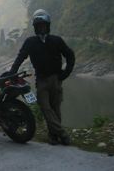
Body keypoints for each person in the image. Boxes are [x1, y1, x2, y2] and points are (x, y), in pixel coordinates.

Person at [7, 9, 75, 145]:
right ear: (35, 27)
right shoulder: (30, 42)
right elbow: (20, 57)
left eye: (43, 25)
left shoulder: (56, 40)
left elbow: (70, 55)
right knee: (45, 107)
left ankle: (53, 136)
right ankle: (63, 133)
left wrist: (65, 73)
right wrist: (11, 73)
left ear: (48, 26)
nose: (41, 28)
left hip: (56, 79)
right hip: (41, 80)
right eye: (39, 26)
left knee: (56, 109)